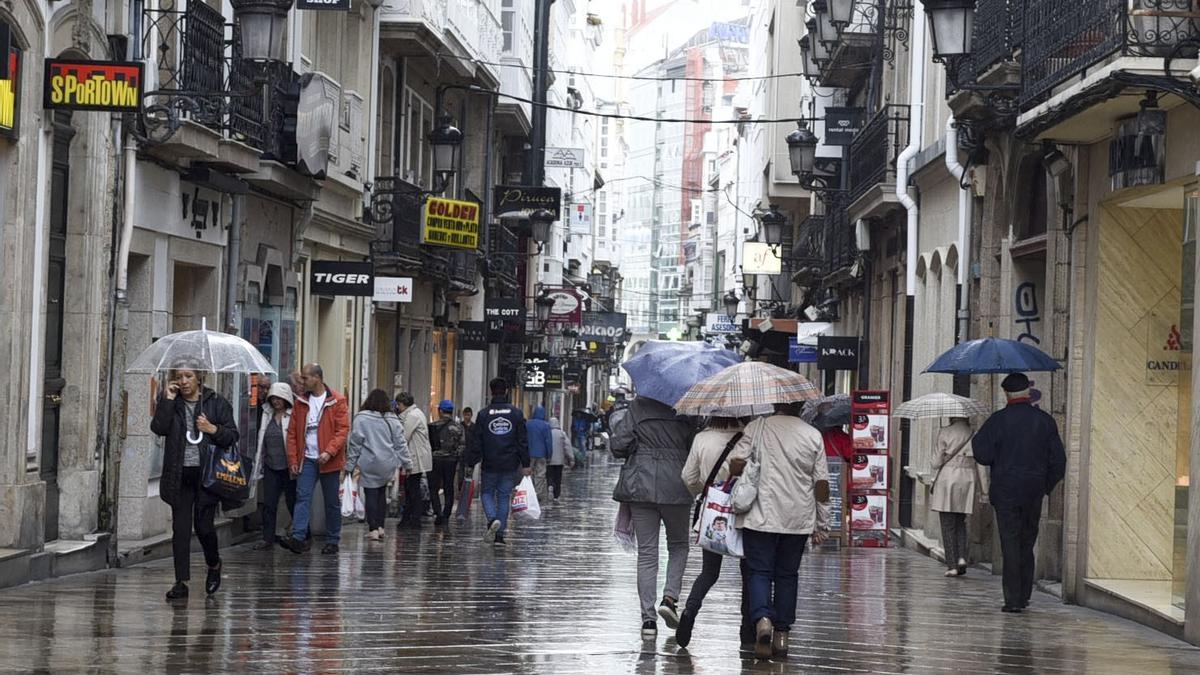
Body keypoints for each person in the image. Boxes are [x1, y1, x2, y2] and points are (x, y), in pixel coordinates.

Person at [731, 407, 830, 658]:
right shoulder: (812, 435)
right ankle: (782, 635)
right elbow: (821, 483)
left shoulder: (757, 428)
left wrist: (739, 470)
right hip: (797, 519)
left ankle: (763, 619)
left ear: (775, 404)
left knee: (759, 571)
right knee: (787, 575)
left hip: (760, 516)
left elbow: (735, 463)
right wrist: (823, 523)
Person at [972, 372, 1066, 613]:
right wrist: (1045, 486)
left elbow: (982, 454)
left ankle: (1013, 599)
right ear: (1027, 392)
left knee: (1010, 542)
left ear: (1006, 394)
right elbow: (1059, 461)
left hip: (1005, 491)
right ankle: (1024, 594)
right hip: (1033, 491)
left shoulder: (997, 421)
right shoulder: (1045, 421)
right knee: (1027, 541)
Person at [610, 394, 695, 640]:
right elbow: (694, 446)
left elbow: (618, 445)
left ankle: (648, 620)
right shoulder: (687, 406)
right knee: (679, 545)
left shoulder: (639, 406)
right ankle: (669, 598)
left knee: (647, 552)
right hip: (677, 484)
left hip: (641, 483)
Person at [150, 365, 239, 601]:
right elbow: (158, 428)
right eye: (179, 377)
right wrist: (168, 399)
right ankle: (181, 581)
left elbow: (232, 435)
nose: (184, 381)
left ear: (199, 378)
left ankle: (214, 564)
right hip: (179, 475)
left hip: (206, 475)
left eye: (188, 376)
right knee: (180, 529)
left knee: (204, 527)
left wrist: (212, 429)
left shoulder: (215, 402)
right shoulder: (172, 402)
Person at [675, 416, 744, 647]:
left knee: (709, 572)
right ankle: (748, 629)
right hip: (743, 512)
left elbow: (688, 476)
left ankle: (689, 612)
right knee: (751, 572)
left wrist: (703, 493)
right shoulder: (749, 437)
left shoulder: (702, 438)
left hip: (712, 512)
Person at [282, 363, 350, 555]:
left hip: (329, 459)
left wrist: (329, 451)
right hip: (308, 458)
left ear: (317, 378)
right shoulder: (301, 402)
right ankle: (298, 536)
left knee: (331, 501)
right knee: (302, 497)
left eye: (305, 378)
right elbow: (293, 433)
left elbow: (342, 430)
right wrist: (293, 460)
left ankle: (333, 539)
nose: (302, 381)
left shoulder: (337, 401)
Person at [463, 378, 531, 544]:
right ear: (507, 391)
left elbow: (476, 441)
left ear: (491, 391)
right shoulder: (516, 413)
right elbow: (522, 441)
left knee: (486, 493)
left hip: (490, 462)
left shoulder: (484, 414)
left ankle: (493, 519)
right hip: (509, 463)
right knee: (503, 497)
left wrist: (471, 462)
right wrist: (526, 463)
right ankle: (500, 534)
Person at [347, 389, 412, 541]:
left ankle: (373, 529)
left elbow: (355, 444)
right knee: (381, 493)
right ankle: (381, 527)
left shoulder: (361, 418)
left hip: (368, 462)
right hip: (387, 463)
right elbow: (400, 444)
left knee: (371, 493)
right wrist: (407, 464)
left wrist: (349, 465)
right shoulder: (393, 419)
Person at [929, 417, 987, 577]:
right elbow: (981, 466)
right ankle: (962, 557)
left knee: (947, 524)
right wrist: (984, 491)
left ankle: (952, 565)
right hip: (967, 481)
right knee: (961, 521)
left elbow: (935, 463)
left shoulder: (945, 432)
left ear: (952, 417)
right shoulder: (974, 434)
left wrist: (941, 457)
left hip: (948, 480)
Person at [251, 382, 297, 550]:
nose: (276, 401)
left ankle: (302, 534)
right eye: (273, 398)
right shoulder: (266, 414)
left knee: (293, 502)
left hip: (288, 466)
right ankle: (267, 538)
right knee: (269, 503)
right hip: (271, 465)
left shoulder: (293, 416)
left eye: (279, 398)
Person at [395, 392, 433, 530]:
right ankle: (410, 518)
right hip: (416, 455)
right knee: (411, 488)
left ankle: (414, 519)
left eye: (398, 405)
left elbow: (404, 436)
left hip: (416, 457)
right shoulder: (416, 413)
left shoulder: (412, 416)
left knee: (412, 489)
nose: (398, 408)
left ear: (404, 404)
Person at [428, 400, 466, 526]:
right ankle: (446, 515)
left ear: (440, 411)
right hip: (451, 461)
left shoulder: (433, 426)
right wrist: (455, 457)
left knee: (433, 487)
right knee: (448, 487)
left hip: (435, 460)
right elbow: (462, 445)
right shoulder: (458, 427)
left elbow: (428, 445)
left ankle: (437, 512)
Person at [526, 405, 553, 501]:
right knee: (540, 474)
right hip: (541, 454)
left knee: (528, 473)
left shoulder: (528, 424)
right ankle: (537, 493)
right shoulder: (546, 425)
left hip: (529, 453)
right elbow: (548, 442)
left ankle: (529, 491)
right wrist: (549, 455)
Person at [548, 417, 572, 500]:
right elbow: (567, 446)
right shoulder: (562, 433)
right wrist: (571, 458)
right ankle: (556, 495)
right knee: (558, 478)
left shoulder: (547, 433)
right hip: (559, 461)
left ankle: (550, 485)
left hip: (549, 460)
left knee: (549, 475)